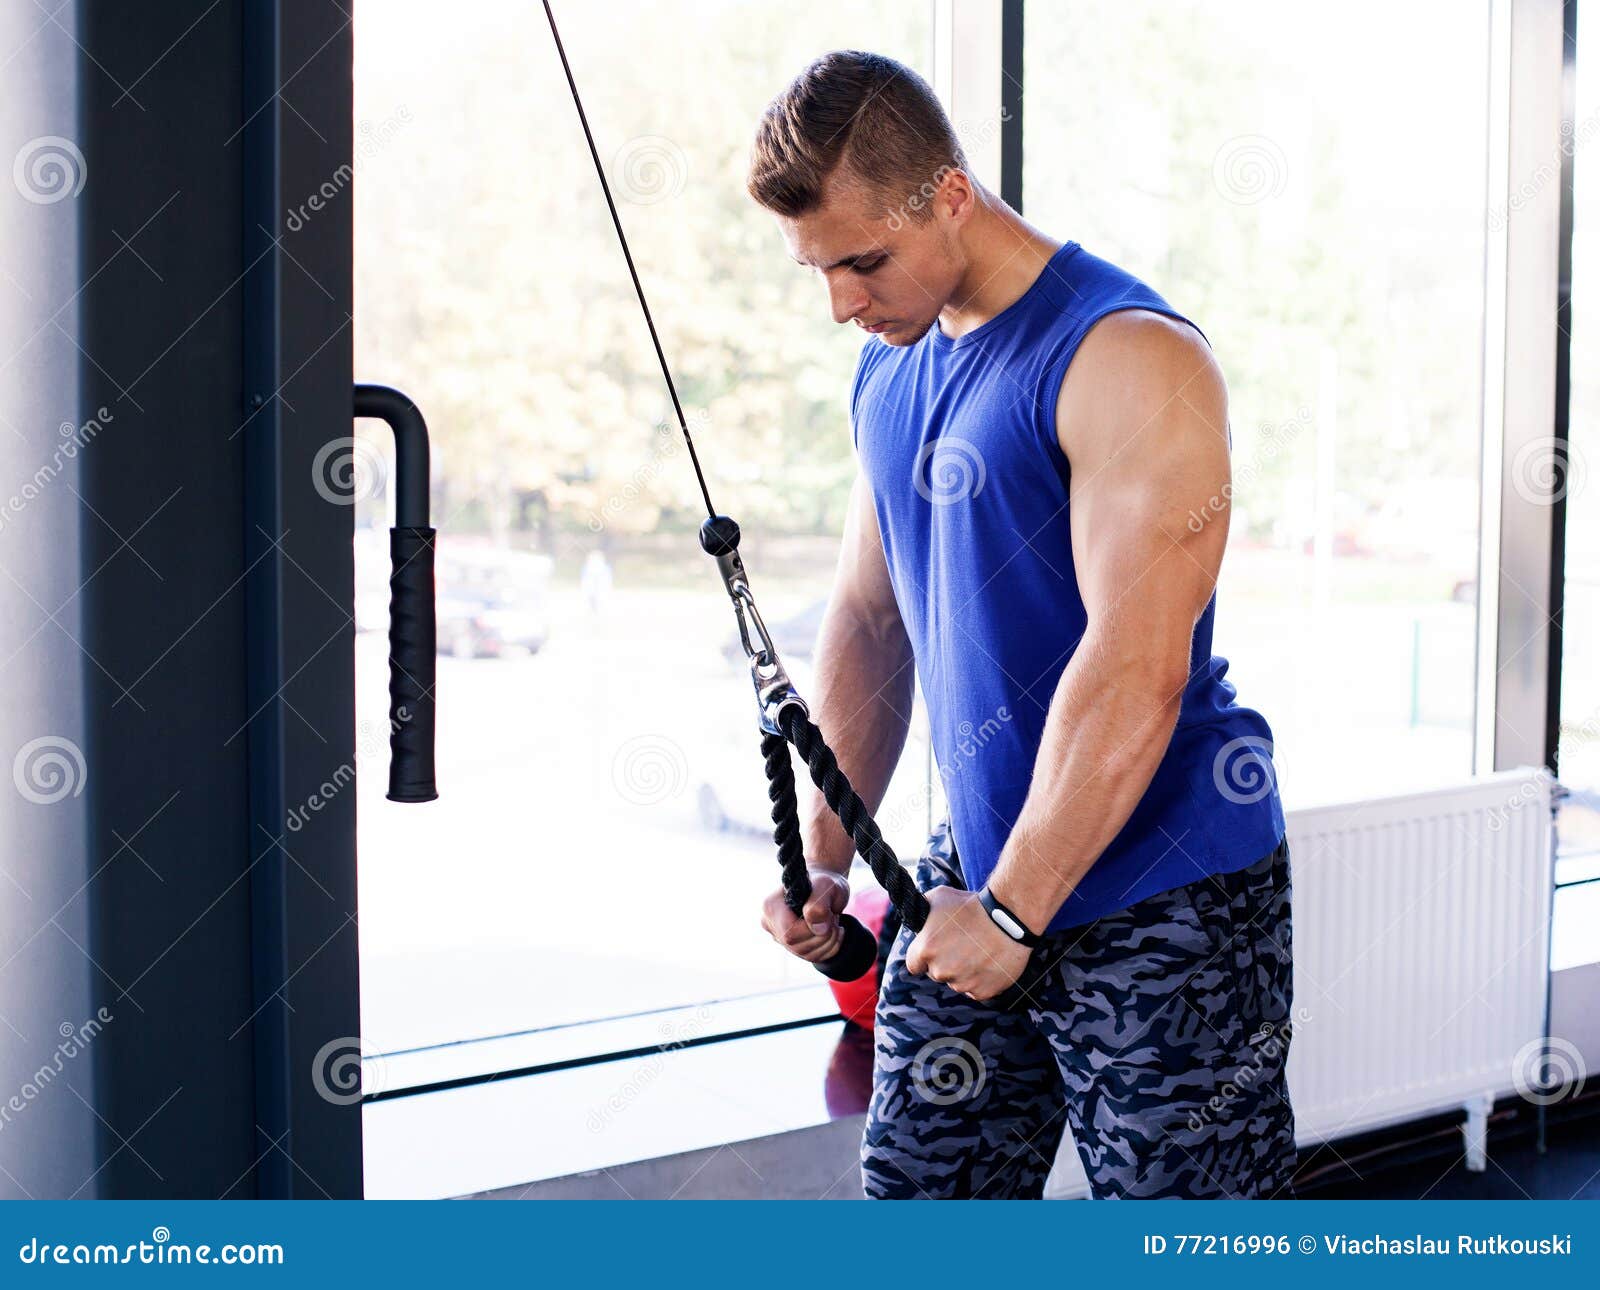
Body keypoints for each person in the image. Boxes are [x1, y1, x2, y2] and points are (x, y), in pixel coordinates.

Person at [748, 51, 1296, 1200]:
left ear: (949, 194)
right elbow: (870, 620)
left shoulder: (1130, 356)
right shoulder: (890, 371)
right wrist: (826, 860)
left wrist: (1015, 912)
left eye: (864, 261)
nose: (843, 303)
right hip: (978, 873)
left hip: (1161, 890)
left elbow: (1136, 662)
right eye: (819, 269)